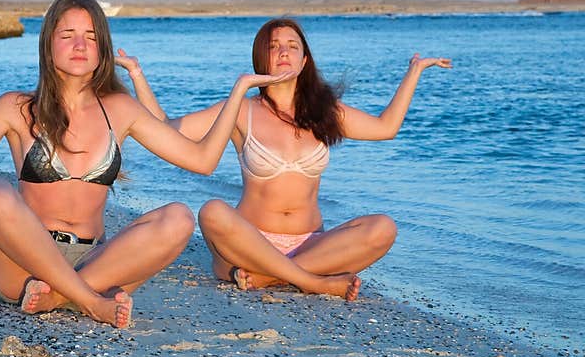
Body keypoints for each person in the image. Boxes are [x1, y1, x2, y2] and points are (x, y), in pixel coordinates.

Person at [0, 0, 311, 329]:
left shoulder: (120, 109)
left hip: (94, 257)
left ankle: (62, 296)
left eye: (90, 35)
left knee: (178, 218)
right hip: (20, 263)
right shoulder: (15, 108)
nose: (80, 43)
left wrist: (240, 89)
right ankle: (87, 301)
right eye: (68, 34)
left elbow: (203, 160)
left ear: (102, 49)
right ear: (48, 44)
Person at [124, 17, 451, 301]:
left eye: (292, 46)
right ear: (260, 59)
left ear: (305, 60)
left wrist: (415, 72)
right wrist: (137, 74)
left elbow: (386, 128)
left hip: (312, 244)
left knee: (383, 227)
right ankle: (309, 281)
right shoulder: (241, 109)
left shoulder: (326, 112)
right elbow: (168, 128)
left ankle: (272, 278)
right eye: (274, 46)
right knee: (212, 212)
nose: (283, 51)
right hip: (248, 246)